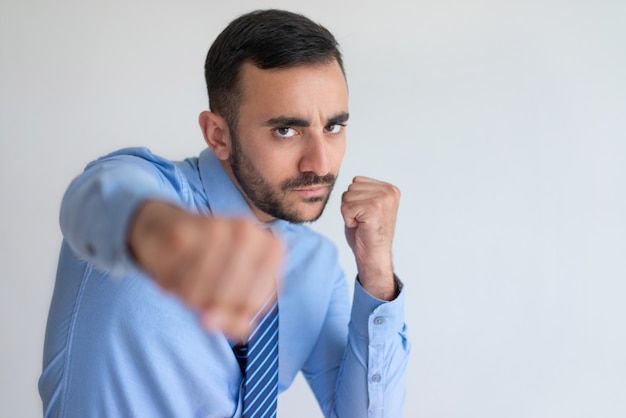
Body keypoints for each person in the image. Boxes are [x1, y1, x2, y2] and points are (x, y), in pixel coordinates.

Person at [39, 9, 410, 418]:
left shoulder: (315, 265)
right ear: (218, 135)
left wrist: (376, 274)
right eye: (286, 130)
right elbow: (91, 201)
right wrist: (164, 235)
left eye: (333, 127)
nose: (319, 162)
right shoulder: (154, 191)